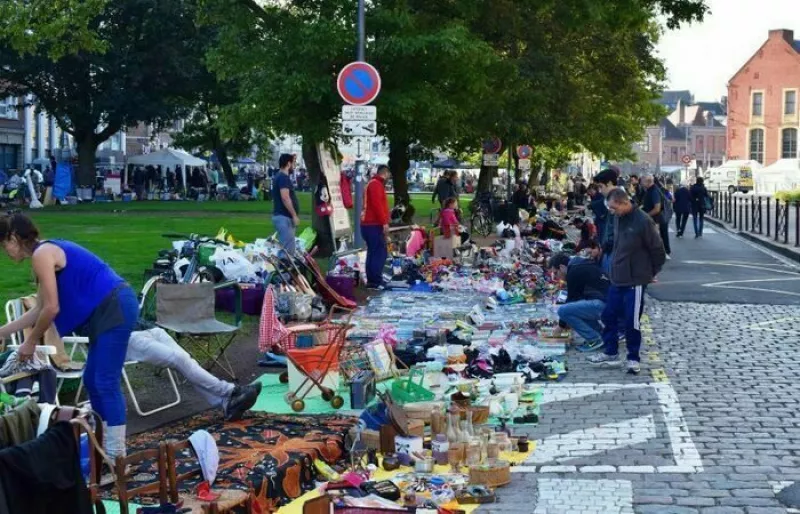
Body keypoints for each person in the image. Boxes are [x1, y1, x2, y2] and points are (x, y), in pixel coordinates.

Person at [0, 213, 138, 458]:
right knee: (94, 381)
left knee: (104, 382)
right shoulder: (44, 253)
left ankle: (116, 457)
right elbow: (39, 309)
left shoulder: (43, 255)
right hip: (108, 310)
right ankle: (104, 449)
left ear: (13, 238)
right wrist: (3, 332)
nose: (5, 252)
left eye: (3, 245)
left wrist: (30, 342)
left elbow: (52, 308)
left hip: (113, 307)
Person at [589, 189, 666, 375]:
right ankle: (611, 352)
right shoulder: (618, 218)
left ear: (623, 203)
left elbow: (658, 250)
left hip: (635, 280)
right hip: (617, 277)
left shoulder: (643, 221)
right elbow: (616, 242)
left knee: (632, 321)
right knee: (608, 315)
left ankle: (633, 358)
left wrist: (651, 272)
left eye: (614, 207)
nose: (612, 211)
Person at [128, 325, 261, 421]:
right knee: (180, 359)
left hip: (149, 329)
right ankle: (230, 392)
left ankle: (227, 402)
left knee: (185, 359)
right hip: (126, 337)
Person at [549, 247, 609, 352]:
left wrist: (559, 328)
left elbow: (571, 300)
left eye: (556, 273)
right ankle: (601, 335)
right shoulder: (578, 265)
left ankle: (594, 339)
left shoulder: (574, 271)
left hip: (604, 304)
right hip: (607, 302)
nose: (556, 277)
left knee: (563, 310)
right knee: (577, 309)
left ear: (562, 267)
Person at [361, 164, 391, 289]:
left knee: (373, 252)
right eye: (389, 174)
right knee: (379, 252)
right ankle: (375, 280)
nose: (389, 177)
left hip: (369, 224)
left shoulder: (373, 184)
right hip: (373, 224)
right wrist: (384, 222)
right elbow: (377, 205)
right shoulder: (376, 185)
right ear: (385, 173)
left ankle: (372, 280)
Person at [272, 154, 300, 254]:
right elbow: (285, 197)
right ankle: (285, 268)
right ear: (288, 164)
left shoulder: (279, 176)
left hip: (282, 217)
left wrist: (293, 157)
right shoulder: (283, 177)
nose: (295, 166)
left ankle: (286, 267)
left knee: (287, 248)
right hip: (284, 218)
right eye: (294, 163)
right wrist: (294, 215)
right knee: (287, 251)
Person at [641, 174, 671, 258]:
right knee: (658, 235)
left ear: (648, 181)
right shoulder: (650, 190)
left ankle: (664, 252)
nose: (641, 183)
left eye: (642, 181)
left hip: (657, 218)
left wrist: (646, 215)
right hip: (657, 218)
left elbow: (657, 208)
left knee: (658, 236)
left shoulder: (653, 191)